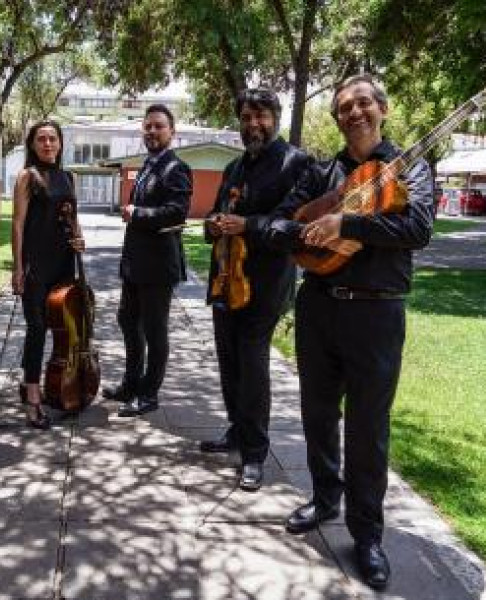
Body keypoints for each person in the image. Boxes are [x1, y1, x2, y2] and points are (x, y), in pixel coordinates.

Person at [264, 74, 433, 590]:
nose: (354, 113)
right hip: (319, 308)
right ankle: (324, 498)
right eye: (344, 108)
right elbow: (277, 225)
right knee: (317, 414)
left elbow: (418, 228)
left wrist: (349, 226)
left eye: (363, 103)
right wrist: (308, 228)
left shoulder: (409, 166)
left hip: (377, 315)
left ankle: (367, 536)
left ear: (382, 109)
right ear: (337, 118)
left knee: (367, 430)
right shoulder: (323, 172)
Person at [199, 88, 312, 491]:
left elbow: (291, 226)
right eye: (247, 117)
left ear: (276, 117)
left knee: (252, 368)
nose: (253, 124)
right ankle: (237, 428)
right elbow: (215, 215)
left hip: (264, 284)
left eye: (261, 116)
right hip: (225, 278)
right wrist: (213, 224)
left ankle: (254, 453)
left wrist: (245, 225)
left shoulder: (295, 163)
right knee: (229, 362)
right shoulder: (233, 167)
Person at [102, 104, 192, 417]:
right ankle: (131, 384)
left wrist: (137, 213)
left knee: (155, 330)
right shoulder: (148, 166)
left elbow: (177, 212)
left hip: (158, 266)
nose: (152, 131)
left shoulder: (175, 168)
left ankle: (149, 394)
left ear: (172, 132)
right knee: (128, 321)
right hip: (135, 264)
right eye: (148, 126)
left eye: (159, 126)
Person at [11, 120, 85, 428]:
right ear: (32, 145)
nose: (47, 144)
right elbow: (17, 224)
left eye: (52, 138)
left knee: (62, 328)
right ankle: (32, 393)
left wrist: (80, 238)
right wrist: (17, 268)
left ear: (60, 143)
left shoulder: (69, 177)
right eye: (41, 139)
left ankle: (56, 382)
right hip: (36, 265)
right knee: (37, 327)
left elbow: (73, 218)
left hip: (64, 263)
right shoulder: (28, 176)